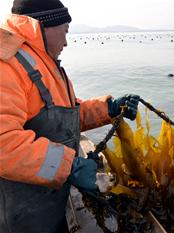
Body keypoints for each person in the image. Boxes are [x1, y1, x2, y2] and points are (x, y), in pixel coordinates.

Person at [0, 0, 140, 232]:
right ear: (44, 26)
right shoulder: (7, 64)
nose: (66, 41)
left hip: (50, 205)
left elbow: (61, 114)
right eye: (65, 31)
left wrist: (109, 109)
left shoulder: (41, 62)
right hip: (20, 219)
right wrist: (69, 166)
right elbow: (3, 144)